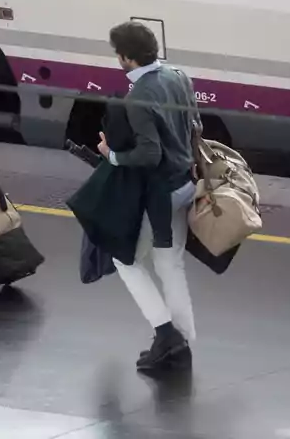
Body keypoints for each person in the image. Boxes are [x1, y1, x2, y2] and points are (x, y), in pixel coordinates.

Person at [96, 21, 198, 374]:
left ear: (125, 57)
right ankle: (183, 341)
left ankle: (166, 332)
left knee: (125, 261)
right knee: (170, 264)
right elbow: (195, 127)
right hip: (187, 185)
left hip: (161, 195)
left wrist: (111, 154)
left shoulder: (137, 97)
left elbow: (149, 155)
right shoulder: (179, 77)